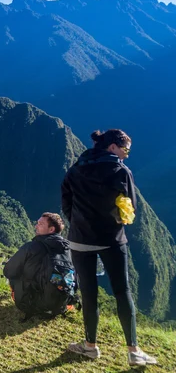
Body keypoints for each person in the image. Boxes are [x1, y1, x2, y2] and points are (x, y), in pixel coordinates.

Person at [62, 129, 157, 366]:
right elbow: (130, 206)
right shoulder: (120, 171)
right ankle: (134, 351)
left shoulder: (75, 169)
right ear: (112, 147)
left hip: (80, 239)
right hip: (111, 239)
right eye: (125, 148)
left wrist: (80, 224)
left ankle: (90, 346)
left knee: (89, 292)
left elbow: (67, 202)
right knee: (122, 292)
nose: (127, 153)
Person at [3, 212, 76, 319]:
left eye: (40, 224)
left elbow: (8, 271)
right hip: (59, 306)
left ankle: (19, 296)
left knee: (15, 270)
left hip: (31, 305)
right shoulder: (68, 251)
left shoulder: (31, 247)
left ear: (51, 229)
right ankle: (62, 304)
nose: (36, 226)